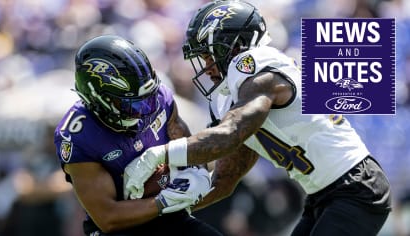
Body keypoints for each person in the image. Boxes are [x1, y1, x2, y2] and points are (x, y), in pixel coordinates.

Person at [122, 1, 392, 235]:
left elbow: (230, 133)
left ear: (233, 44)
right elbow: (224, 180)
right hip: (323, 194)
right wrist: (160, 209)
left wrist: (160, 154)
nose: (206, 66)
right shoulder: (229, 97)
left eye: (208, 55)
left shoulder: (257, 65)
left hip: (355, 186)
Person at [53, 35, 222, 236]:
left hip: (170, 217)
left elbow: (187, 147)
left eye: (147, 100)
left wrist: (197, 174)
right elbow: (108, 217)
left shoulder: (158, 97)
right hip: (121, 228)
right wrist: (167, 199)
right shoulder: (79, 135)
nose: (144, 110)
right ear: (100, 98)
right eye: (133, 103)